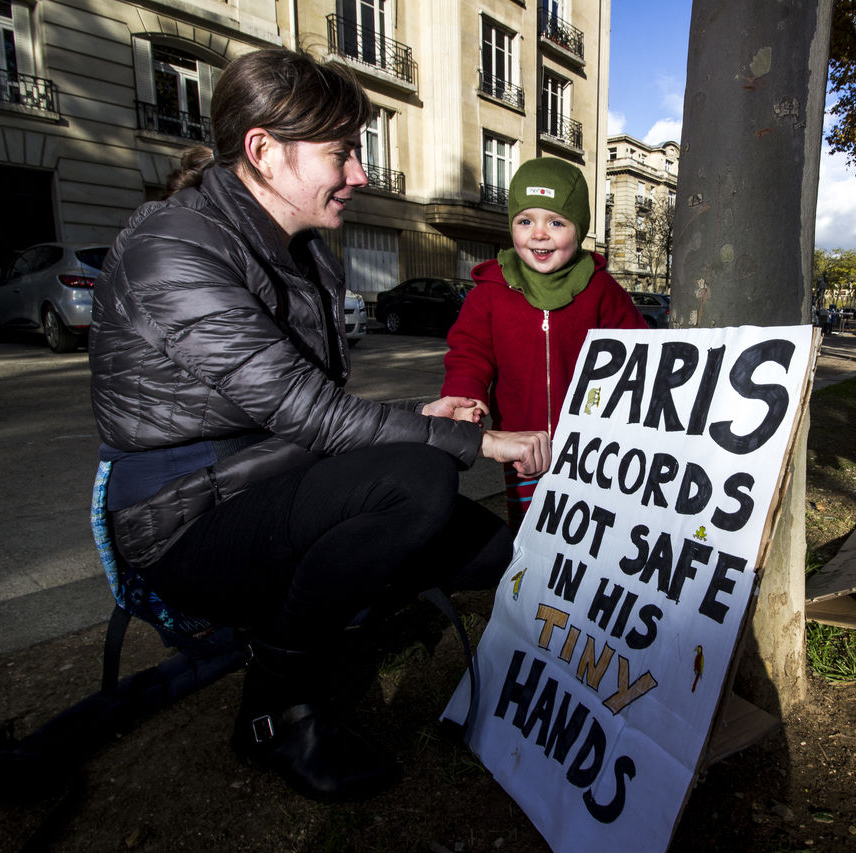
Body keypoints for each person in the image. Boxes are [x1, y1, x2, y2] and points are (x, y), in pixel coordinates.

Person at [88, 48, 549, 802]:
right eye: (342, 152)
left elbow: (311, 407)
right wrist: (474, 439)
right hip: (182, 519)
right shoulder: (170, 249)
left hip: (272, 474)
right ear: (264, 151)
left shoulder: (300, 248)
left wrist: (417, 419)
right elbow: (308, 411)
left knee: (501, 553)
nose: (361, 173)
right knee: (419, 483)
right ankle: (275, 708)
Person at [441, 157, 645, 529]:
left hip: (591, 445)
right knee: (531, 528)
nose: (538, 234)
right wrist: (465, 396)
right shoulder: (490, 292)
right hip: (521, 443)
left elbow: (638, 351)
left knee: (591, 528)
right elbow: (469, 352)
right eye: (525, 221)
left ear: (578, 228)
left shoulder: (600, 289)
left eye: (556, 222)